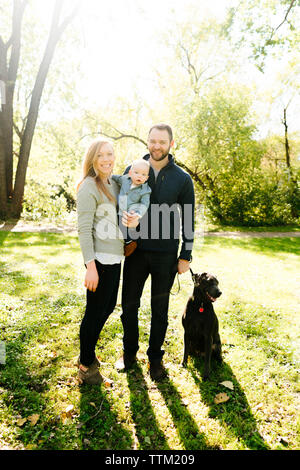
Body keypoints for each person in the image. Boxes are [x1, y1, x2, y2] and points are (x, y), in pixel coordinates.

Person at [115, 124, 195, 381]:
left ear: (171, 144)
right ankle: (129, 353)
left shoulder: (182, 178)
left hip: (165, 254)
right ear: (147, 142)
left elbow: (189, 218)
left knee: (160, 308)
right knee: (129, 305)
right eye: (153, 141)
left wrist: (186, 254)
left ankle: (155, 358)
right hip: (136, 251)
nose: (156, 146)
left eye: (162, 141)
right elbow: (121, 204)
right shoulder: (132, 169)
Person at [76, 139, 139, 384]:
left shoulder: (114, 184)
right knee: (94, 312)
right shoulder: (88, 186)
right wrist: (90, 266)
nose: (106, 159)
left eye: (110, 154)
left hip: (115, 258)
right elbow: (83, 229)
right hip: (99, 261)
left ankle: (87, 353)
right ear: (92, 159)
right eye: (100, 155)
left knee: (108, 306)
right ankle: (85, 364)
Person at [112, 159, 152, 256]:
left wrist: (138, 214)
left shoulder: (145, 190)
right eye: (136, 173)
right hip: (120, 211)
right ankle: (126, 241)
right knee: (117, 224)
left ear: (147, 178)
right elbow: (115, 178)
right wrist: (108, 176)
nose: (139, 176)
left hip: (131, 214)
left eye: (143, 174)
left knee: (126, 226)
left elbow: (144, 204)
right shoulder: (124, 179)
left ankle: (129, 242)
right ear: (130, 173)